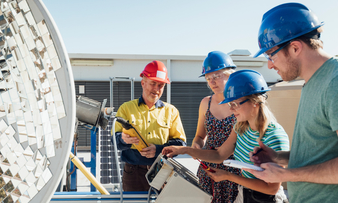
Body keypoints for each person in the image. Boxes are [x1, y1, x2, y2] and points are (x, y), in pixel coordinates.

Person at [247, 2, 338, 203]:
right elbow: (322, 152)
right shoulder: (313, 82)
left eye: (271, 55)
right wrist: (279, 158)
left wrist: (286, 175)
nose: (270, 64)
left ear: (294, 48)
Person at [163, 70, 290, 203]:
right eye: (230, 104)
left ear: (255, 102)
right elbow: (219, 155)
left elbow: (271, 189)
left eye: (235, 104)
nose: (231, 109)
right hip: (243, 193)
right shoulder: (241, 127)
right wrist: (184, 150)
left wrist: (228, 176)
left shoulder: (274, 135)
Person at [113, 60, 187, 191]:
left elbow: (180, 144)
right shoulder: (126, 109)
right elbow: (115, 142)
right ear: (143, 82)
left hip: (162, 170)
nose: (157, 89)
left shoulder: (171, 111)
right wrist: (124, 140)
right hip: (133, 173)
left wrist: (158, 150)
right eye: (153, 83)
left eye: (161, 85)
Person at [193, 51, 241, 203]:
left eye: (216, 76)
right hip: (208, 172)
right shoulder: (204, 104)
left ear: (230, 75)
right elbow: (200, 136)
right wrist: (196, 145)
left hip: (236, 172)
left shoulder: (242, 103)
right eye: (208, 78)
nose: (212, 82)